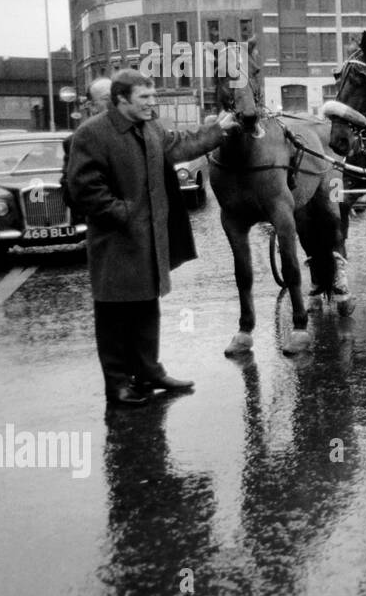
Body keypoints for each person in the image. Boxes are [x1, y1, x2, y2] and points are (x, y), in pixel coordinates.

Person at [67, 70, 239, 406]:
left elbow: (180, 146)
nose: (152, 102)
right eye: (144, 97)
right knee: (115, 313)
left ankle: (149, 370)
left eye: (152, 96)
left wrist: (217, 131)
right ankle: (117, 385)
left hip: (149, 238)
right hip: (117, 240)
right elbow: (83, 188)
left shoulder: (150, 128)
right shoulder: (92, 133)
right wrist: (125, 213)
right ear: (121, 100)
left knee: (147, 306)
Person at [61, 77, 113, 208]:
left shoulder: (141, 133)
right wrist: (122, 212)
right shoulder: (77, 141)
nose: (116, 102)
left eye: (119, 96)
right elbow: (74, 193)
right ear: (92, 106)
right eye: (107, 98)